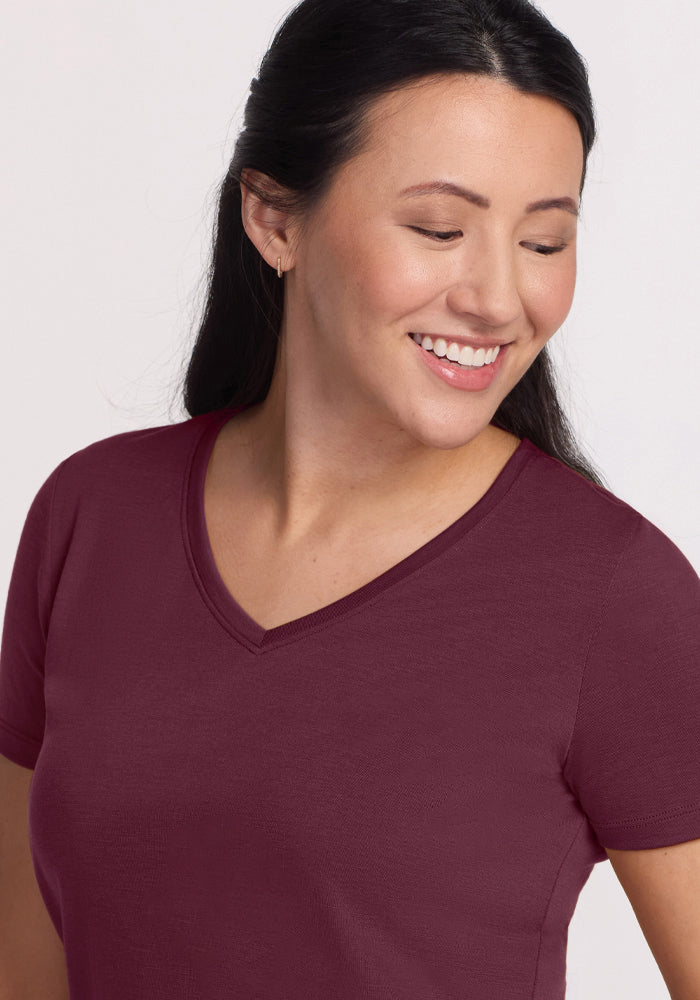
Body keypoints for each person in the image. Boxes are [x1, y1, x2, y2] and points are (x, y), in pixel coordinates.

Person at [1, 0, 698, 997]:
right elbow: (25, 966)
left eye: (543, 242)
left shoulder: (612, 594)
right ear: (274, 218)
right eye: (438, 227)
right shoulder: (91, 517)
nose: (498, 298)